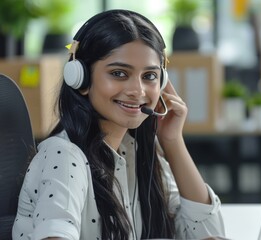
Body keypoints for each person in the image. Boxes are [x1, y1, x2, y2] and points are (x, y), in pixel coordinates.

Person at [12, 9, 225, 240]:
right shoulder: (64, 156)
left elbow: (208, 234)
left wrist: (172, 141)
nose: (138, 91)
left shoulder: (137, 153)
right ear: (80, 77)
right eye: (119, 73)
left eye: (150, 76)